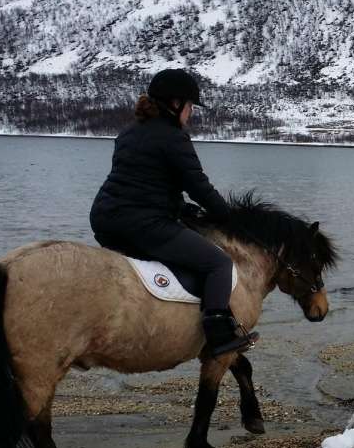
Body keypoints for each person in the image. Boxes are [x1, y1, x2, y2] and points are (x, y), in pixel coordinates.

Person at [89, 68, 258, 356]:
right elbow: (199, 186)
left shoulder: (129, 132)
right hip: (143, 224)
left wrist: (180, 208)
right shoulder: (174, 137)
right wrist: (228, 217)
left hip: (105, 220)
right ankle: (217, 333)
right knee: (218, 264)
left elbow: (146, 182)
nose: (191, 113)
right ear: (175, 103)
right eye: (190, 106)